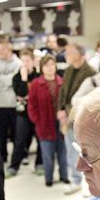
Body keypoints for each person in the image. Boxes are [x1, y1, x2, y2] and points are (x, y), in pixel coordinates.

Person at [57, 43, 95, 195]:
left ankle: (89, 183)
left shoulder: (90, 72)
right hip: (67, 116)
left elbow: (89, 99)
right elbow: (63, 92)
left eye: (69, 52)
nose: (66, 54)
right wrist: (60, 110)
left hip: (81, 117)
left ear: (79, 54)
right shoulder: (68, 70)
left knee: (87, 151)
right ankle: (76, 180)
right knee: (70, 150)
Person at [28, 55, 68, 187]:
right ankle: (49, 178)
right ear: (41, 68)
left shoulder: (62, 82)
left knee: (63, 153)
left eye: (52, 64)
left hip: (61, 123)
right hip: (44, 124)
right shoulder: (35, 84)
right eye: (46, 65)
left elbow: (67, 103)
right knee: (47, 155)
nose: (50, 68)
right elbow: (31, 105)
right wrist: (37, 120)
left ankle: (64, 176)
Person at [8, 48, 42, 177]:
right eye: (23, 61)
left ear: (33, 61)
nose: (25, 63)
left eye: (28, 60)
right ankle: (13, 166)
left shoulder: (38, 77)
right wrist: (23, 78)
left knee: (40, 139)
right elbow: (21, 93)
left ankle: (39, 164)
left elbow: (36, 96)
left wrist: (27, 96)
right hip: (22, 113)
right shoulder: (17, 77)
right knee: (19, 139)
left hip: (36, 112)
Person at [0, 41, 21, 166]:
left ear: (9, 50)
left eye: (4, 49)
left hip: (14, 104)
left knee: (17, 133)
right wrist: (9, 80)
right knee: (0, 134)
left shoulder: (18, 64)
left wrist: (2, 78)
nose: (1, 52)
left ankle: (19, 156)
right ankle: (2, 157)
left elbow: (17, 83)